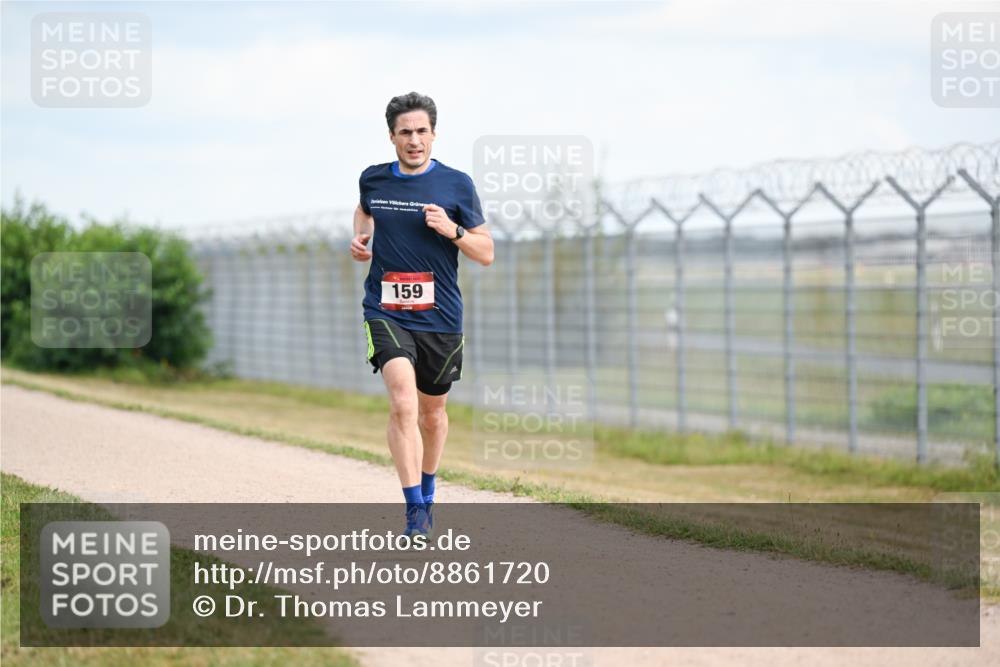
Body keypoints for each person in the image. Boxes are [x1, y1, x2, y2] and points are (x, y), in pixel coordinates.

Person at [350, 92, 494, 538]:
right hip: (386, 310)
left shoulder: (456, 184)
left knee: (432, 415)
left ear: (434, 134)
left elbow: (485, 252)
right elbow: (363, 211)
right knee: (403, 403)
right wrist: (360, 238)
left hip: (440, 317)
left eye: (422, 131)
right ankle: (414, 510)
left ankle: (428, 488)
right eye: (405, 132)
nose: (414, 140)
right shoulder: (374, 180)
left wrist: (452, 230)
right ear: (391, 136)